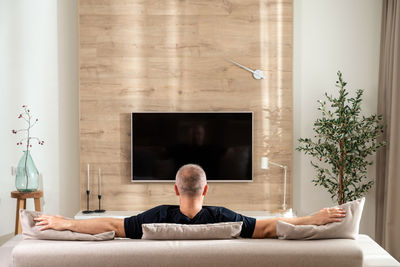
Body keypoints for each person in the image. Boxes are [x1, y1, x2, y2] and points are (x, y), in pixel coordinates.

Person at [34, 164, 346, 239]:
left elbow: (113, 225)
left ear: (175, 189)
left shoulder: (155, 218)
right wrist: (309, 219)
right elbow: (268, 228)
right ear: (205, 190)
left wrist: (69, 223)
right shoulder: (225, 218)